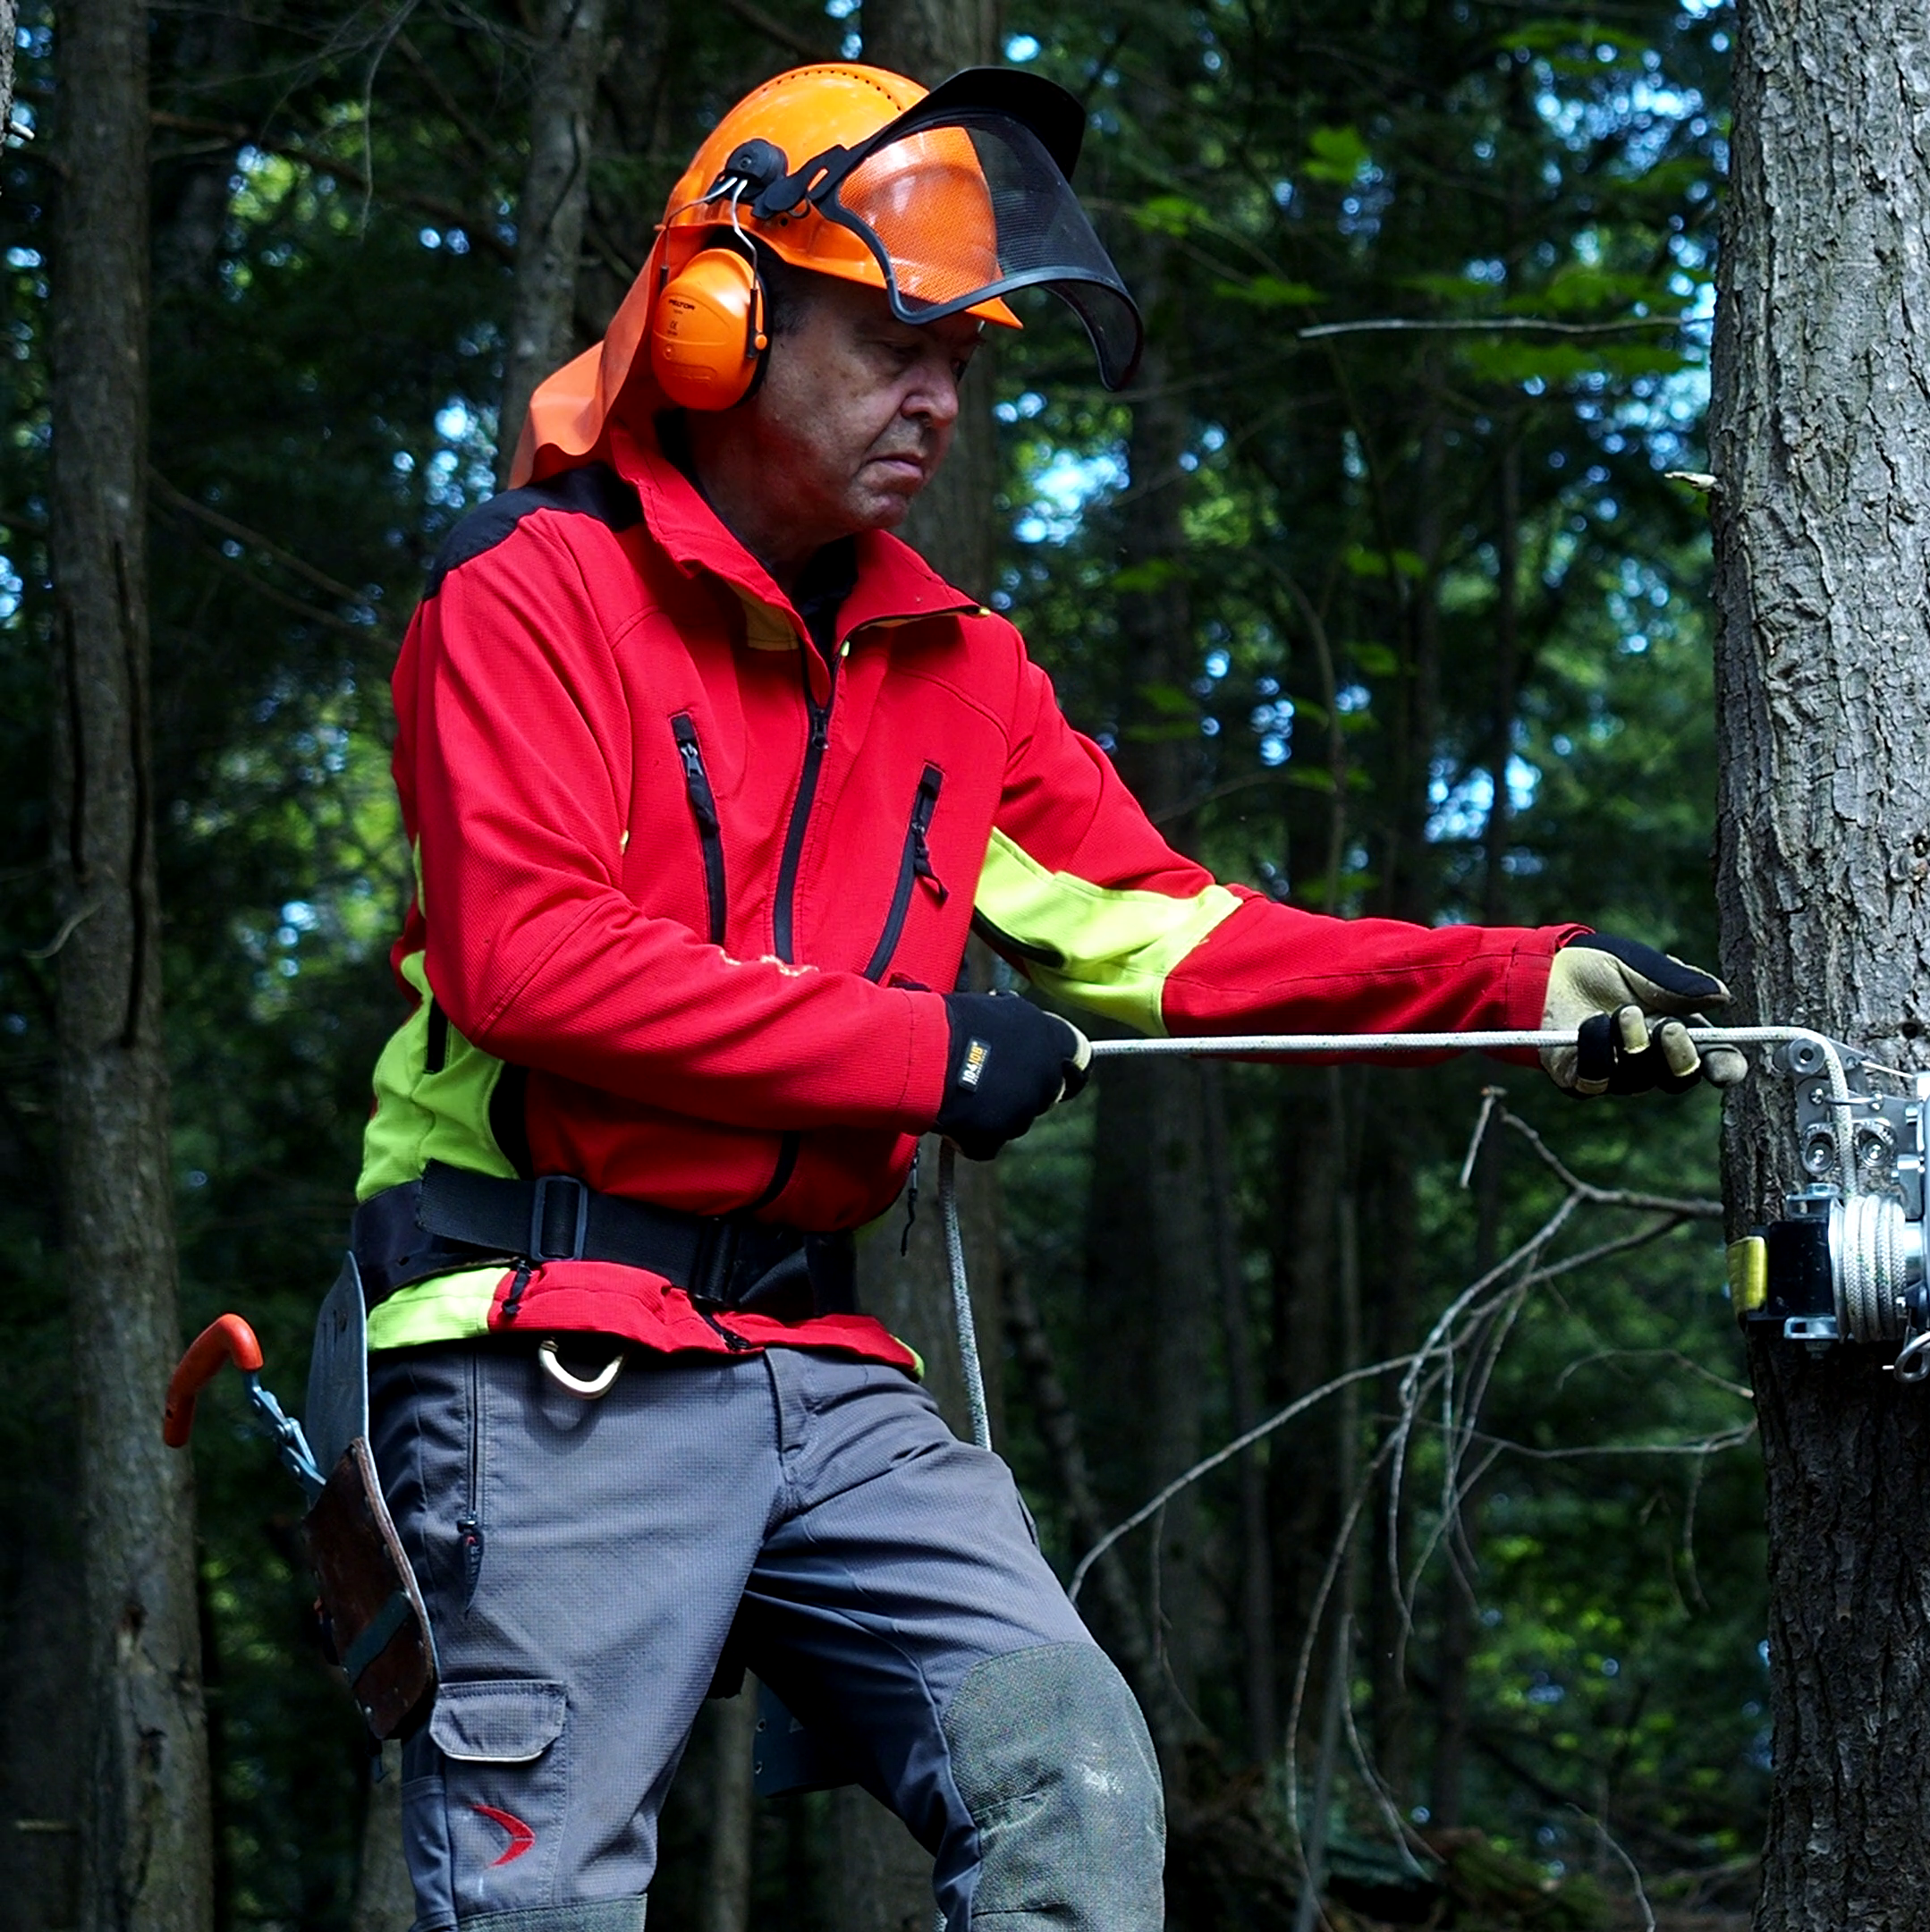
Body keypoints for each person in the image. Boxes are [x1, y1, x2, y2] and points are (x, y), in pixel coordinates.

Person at [349, 61, 1736, 1931]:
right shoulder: (531, 595)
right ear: (718, 314)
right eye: (891, 341)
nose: (937, 400)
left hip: (813, 1370)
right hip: (547, 1343)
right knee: (541, 1900)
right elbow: (535, 963)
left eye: (966, 362)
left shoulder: (958, 665)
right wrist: (924, 1048)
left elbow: (1174, 937)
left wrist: (1513, 981)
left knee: (1069, 1773)